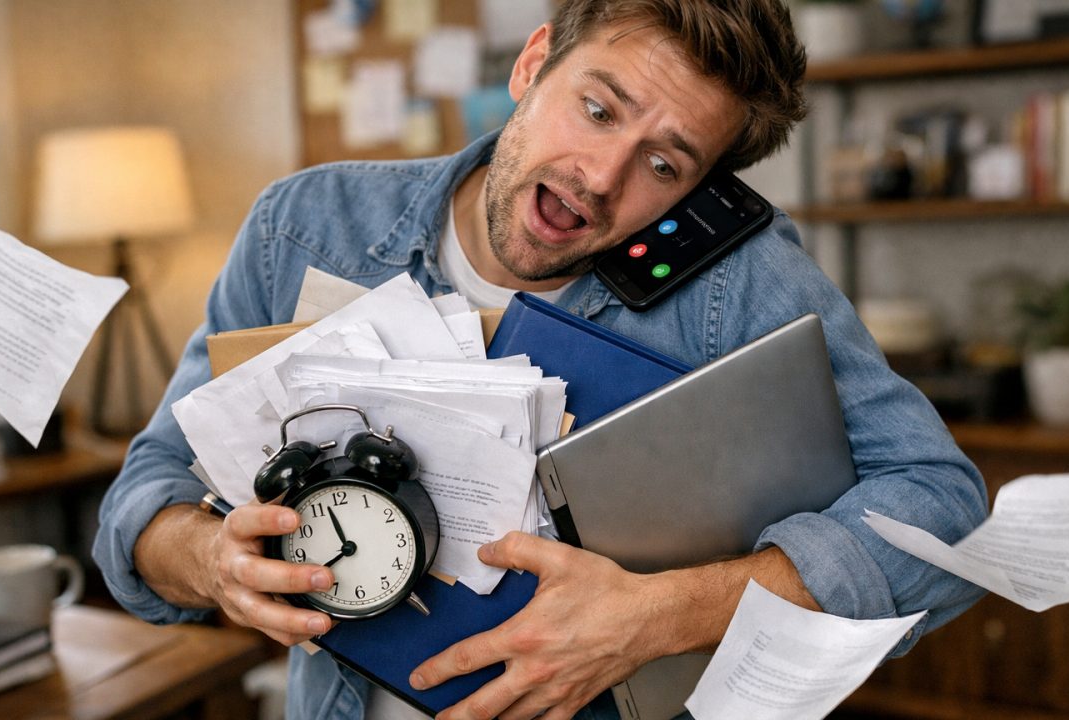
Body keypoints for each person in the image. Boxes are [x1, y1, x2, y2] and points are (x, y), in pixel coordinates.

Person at [94, 2, 989, 719]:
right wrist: (213, 560)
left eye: (665, 164)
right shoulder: (303, 227)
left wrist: (664, 613)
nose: (601, 176)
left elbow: (942, 511)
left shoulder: (741, 282)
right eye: (597, 109)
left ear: (702, 189)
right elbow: (150, 491)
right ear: (531, 66)